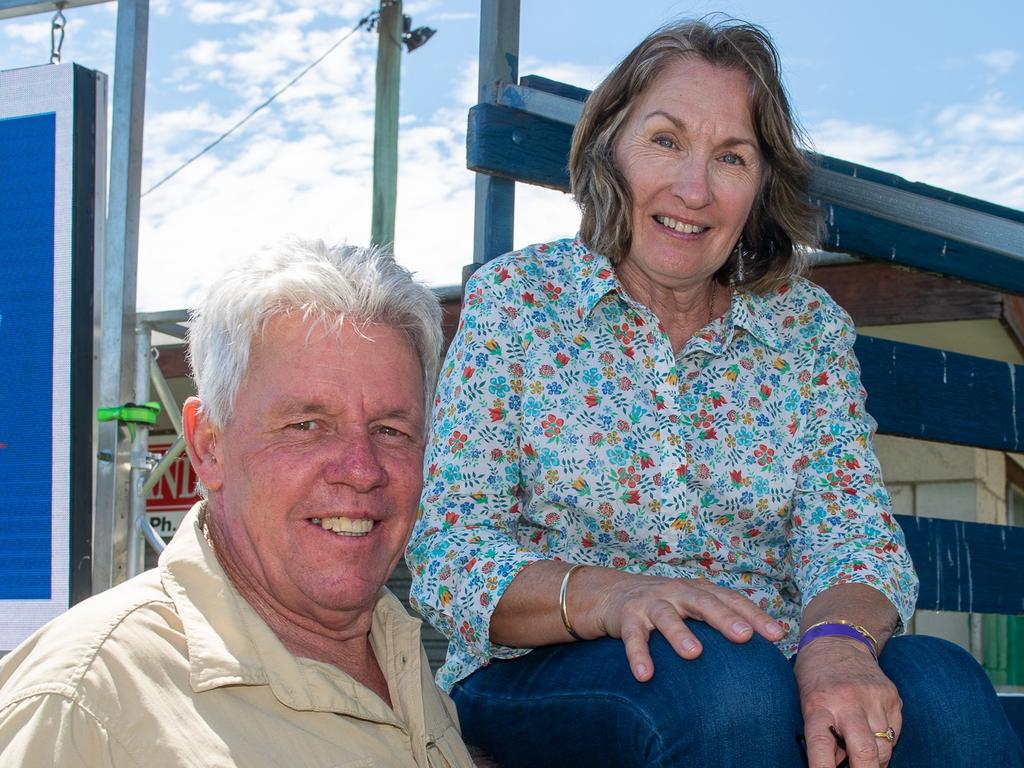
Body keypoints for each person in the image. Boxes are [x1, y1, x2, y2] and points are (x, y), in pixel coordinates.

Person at [407, 18, 1024, 768]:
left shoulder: (804, 330)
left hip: (767, 658)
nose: (693, 189)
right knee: (728, 687)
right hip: (544, 667)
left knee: (944, 686)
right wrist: (616, 597)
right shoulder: (520, 301)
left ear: (761, 185)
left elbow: (853, 538)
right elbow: (449, 550)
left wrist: (834, 647)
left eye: (731, 156)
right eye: (665, 140)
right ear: (610, 148)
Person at [0, 240, 475, 767]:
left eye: (391, 430)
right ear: (208, 446)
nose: (362, 470)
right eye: (306, 426)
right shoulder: (87, 704)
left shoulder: (401, 661)